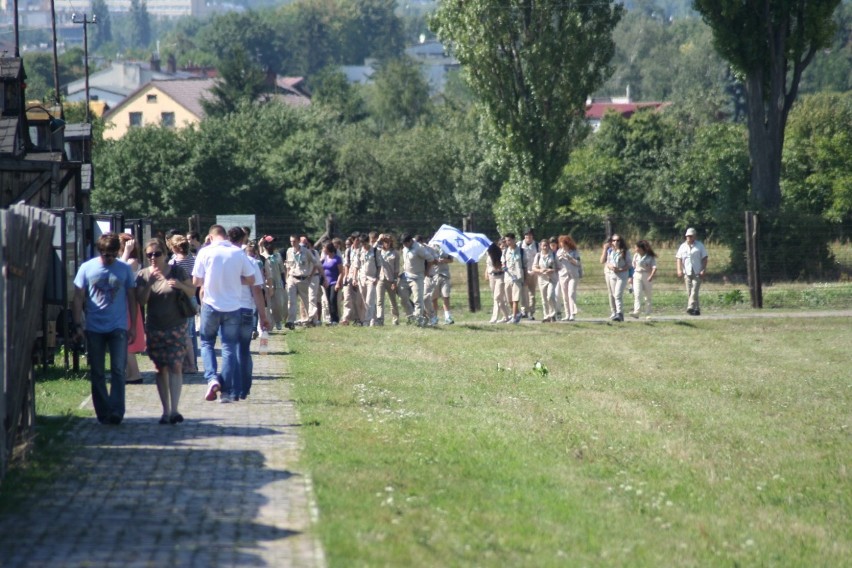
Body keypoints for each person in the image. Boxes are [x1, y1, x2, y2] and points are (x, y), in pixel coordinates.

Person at [192, 225, 268, 404]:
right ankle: (228, 391)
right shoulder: (238, 253)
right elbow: (251, 281)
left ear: (210, 237)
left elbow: (196, 281)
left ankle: (212, 378)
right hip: (234, 307)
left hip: (211, 305)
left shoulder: (205, 252)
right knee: (230, 348)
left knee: (207, 343)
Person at [71, 233, 138, 425]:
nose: (107, 258)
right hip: (94, 327)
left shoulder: (124, 269)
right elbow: (77, 297)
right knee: (97, 371)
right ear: (99, 251)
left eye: (111, 254)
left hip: (118, 326)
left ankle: (117, 411)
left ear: (117, 252)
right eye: (104, 254)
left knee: (118, 369)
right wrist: (78, 325)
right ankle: (103, 412)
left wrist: (132, 326)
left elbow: (132, 298)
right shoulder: (87, 268)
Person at [136, 239, 195, 424]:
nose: (153, 258)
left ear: (165, 254)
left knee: (176, 365)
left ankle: (175, 410)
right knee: (161, 368)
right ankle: (165, 410)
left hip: (177, 325)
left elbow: (192, 291)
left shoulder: (177, 271)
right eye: (149, 255)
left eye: (156, 254)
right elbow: (141, 301)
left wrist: (180, 286)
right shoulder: (143, 275)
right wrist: (149, 284)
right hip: (155, 327)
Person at [228, 227, 267, 400]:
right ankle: (244, 388)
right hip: (246, 309)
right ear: (244, 238)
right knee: (243, 350)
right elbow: (257, 291)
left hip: (228, 309)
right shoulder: (250, 261)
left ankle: (233, 388)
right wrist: (263, 317)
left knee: (230, 349)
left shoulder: (224, 260)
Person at [168, 234, 198, 373]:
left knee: (182, 333)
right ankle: (192, 363)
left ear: (174, 247)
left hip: (178, 299)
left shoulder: (174, 263)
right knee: (190, 333)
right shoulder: (194, 260)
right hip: (191, 298)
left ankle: (187, 363)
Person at [119, 233, 145, 384]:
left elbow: (119, 270)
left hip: (129, 303)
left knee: (127, 342)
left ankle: (134, 374)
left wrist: (127, 252)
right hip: (124, 303)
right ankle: (130, 373)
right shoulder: (127, 260)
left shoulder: (132, 261)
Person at [401, 233, 436, 326]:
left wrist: (426, 272)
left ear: (410, 242)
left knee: (418, 300)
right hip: (406, 276)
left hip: (417, 277)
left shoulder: (419, 248)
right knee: (403, 297)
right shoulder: (405, 248)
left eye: (405, 243)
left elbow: (431, 259)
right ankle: (410, 316)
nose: (404, 246)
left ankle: (418, 320)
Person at [676, 227, 709, 315]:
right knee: (689, 292)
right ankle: (697, 309)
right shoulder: (682, 246)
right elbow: (679, 258)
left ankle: (690, 307)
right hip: (687, 271)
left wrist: (703, 270)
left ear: (694, 236)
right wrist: (679, 270)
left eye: (691, 236)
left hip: (697, 271)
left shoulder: (700, 245)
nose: (689, 238)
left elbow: (705, 258)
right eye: (687, 236)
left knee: (694, 290)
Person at [376, 234, 401, 325]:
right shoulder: (378, 251)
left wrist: (395, 281)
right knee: (379, 300)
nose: (387, 243)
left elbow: (396, 269)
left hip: (390, 279)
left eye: (388, 241)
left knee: (392, 300)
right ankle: (380, 319)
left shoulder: (395, 253)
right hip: (380, 279)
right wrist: (379, 239)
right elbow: (374, 248)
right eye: (385, 241)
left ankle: (395, 319)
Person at [556, 235, 582, 321]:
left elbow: (578, 263)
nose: (563, 246)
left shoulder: (574, 252)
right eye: (561, 244)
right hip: (563, 275)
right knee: (565, 295)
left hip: (573, 275)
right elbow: (556, 264)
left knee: (571, 294)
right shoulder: (559, 251)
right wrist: (559, 258)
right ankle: (567, 314)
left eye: (564, 244)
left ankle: (572, 314)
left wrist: (569, 258)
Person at [605, 235, 630, 321]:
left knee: (618, 294)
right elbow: (607, 262)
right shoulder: (610, 251)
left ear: (621, 241)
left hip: (622, 275)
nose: (616, 242)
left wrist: (620, 269)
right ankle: (616, 313)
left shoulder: (625, 251)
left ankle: (620, 314)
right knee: (614, 294)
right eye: (614, 240)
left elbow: (629, 264)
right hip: (613, 275)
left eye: (618, 240)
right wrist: (611, 267)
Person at [532, 238, 558, 322]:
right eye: (543, 246)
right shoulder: (538, 256)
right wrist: (540, 270)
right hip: (542, 279)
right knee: (544, 298)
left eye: (546, 245)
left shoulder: (553, 255)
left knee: (550, 296)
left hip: (551, 278)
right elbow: (534, 267)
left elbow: (559, 267)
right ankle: (546, 316)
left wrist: (552, 270)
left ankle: (553, 314)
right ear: (540, 246)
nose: (545, 247)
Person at [631, 240, 658, 318]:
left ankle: (648, 313)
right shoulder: (636, 255)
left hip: (647, 275)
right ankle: (637, 311)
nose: (635, 249)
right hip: (637, 275)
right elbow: (633, 265)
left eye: (636, 247)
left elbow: (654, 267)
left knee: (647, 295)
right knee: (637, 294)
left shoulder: (650, 257)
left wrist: (651, 276)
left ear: (640, 248)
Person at [502, 233, 525, 324]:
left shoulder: (521, 251)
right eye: (506, 240)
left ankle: (514, 317)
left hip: (517, 277)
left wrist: (525, 278)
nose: (508, 242)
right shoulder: (505, 251)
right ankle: (518, 313)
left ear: (514, 240)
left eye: (510, 240)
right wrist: (503, 265)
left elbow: (525, 265)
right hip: (508, 277)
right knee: (509, 299)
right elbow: (503, 262)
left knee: (515, 298)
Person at [486, 240, 510, 323]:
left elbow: (502, 266)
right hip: (492, 276)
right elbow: (488, 265)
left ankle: (494, 317)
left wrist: (498, 268)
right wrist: (487, 272)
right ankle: (507, 316)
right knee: (497, 298)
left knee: (497, 297)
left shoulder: (499, 254)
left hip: (500, 276)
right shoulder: (488, 254)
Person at [430, 243, 455, 324]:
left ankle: (448, 317)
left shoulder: (446, 247)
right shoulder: (430, 246)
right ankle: (434, 317)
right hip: (434, 275)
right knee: (434, 298)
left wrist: (444, 260)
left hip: (445, 275)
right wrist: (435, 261)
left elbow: (451, 260)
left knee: (446, 296)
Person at [321, 241, 343, 324]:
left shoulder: (337, 258)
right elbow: (322, 269)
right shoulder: (325, 258)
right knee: (328, 301)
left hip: (334, 282)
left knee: (332, 299)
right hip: (326, 282)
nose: (323, 250)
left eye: (324, 248)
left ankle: (335, 319)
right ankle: (331, 318)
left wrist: (338, 283)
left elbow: (341, 272)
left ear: (328, 249)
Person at [519, 229, 538, 319]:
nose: (528, 238)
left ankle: (531, 311)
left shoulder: (537, 246)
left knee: (532, 294)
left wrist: (536, 270)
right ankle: (524, 310)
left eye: (530, 236)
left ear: (532, 237)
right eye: (526, 237)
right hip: (523, 272)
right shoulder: (519, 245)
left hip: (534, 272)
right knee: (523, 292)